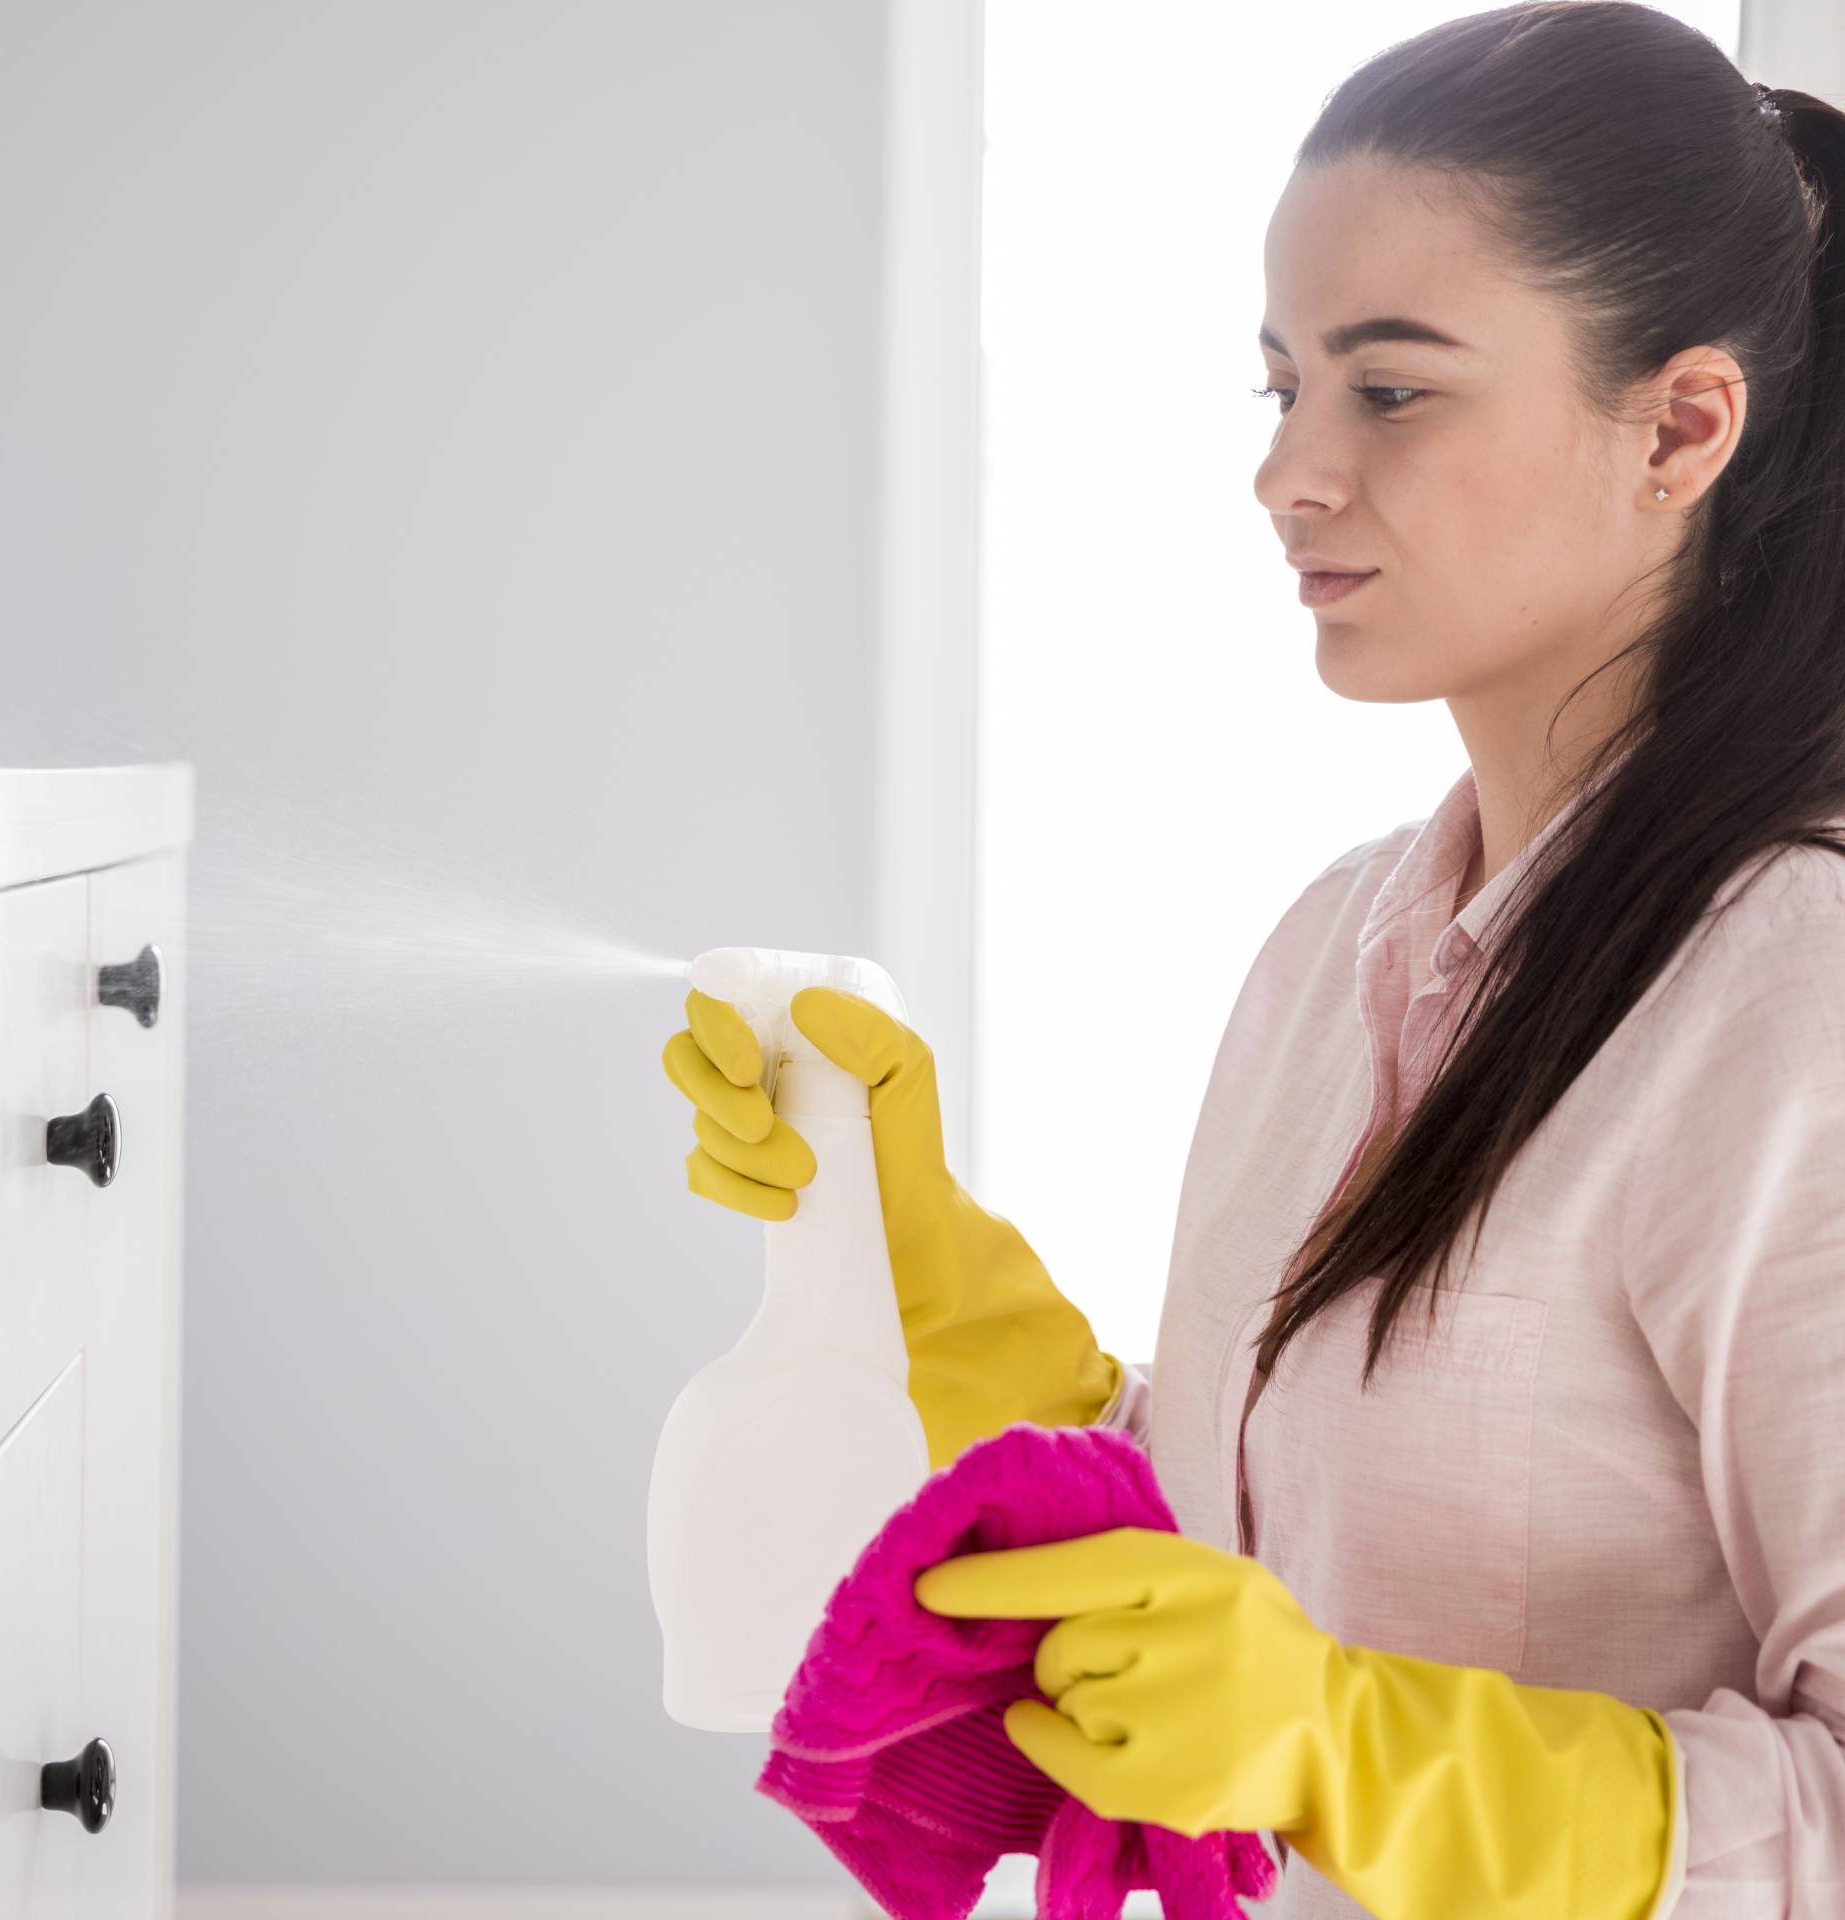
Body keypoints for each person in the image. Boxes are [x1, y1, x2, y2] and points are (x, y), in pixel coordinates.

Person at [664, 5, 1845, 1913]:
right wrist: (915, 1267)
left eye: (1390, 391)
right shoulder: (1336, 947)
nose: (1289, 472)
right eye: (1278, 384)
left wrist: (1349, 1752)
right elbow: (1261, 1555)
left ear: (1682, 425)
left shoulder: (1797, 996)